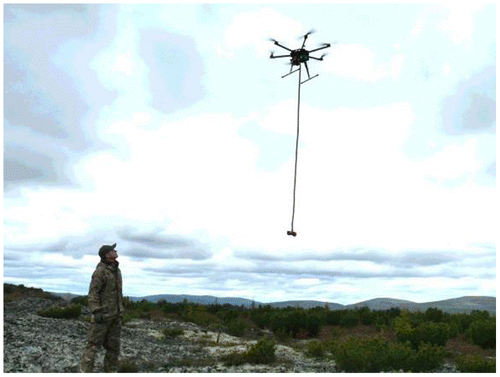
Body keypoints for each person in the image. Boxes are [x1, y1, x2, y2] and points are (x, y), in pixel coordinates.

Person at [80, 243, 124, 373]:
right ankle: (85, 372)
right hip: (102, 315)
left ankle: (111, 372)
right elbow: (93, 292)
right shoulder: (100, 271)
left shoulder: (116, 270)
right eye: (112, 250)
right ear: (107, 254)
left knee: (114, 348)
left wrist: (120, 310)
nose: (115, 251)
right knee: (93, 346)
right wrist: (96, 311)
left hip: (115, 315)